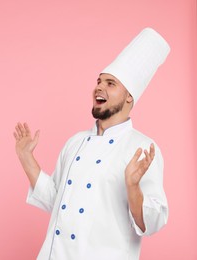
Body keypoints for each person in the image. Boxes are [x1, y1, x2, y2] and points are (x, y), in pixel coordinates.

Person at [13, 28, 170, 260]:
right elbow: (56, 202)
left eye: (110, 83)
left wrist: (133, 187)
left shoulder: (142, 149)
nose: (99, 87)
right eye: (98, 81)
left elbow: (152, 223)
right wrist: (27, 159)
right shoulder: (75, 142)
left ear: (129, 96)